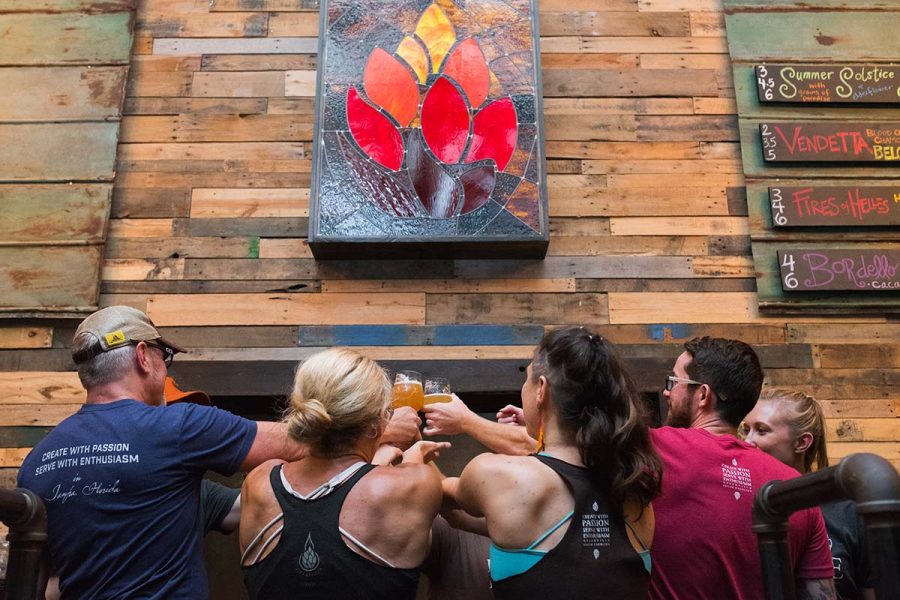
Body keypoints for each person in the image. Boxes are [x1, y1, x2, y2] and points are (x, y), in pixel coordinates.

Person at [445, 326, 662, 598]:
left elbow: (445, 499)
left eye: (527, 378)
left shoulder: (500, 476)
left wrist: (414, 452)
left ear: (541, 389)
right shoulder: (637, 497)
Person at [240, 347, 446, 600]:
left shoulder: (259, 481)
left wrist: (381, 454)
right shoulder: (413, 482)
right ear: (377, 423)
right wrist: (413, 451)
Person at [650, 337, 835, 600]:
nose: (667, 392)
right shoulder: (796, 490)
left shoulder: (655, 448)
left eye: (674, 382)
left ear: (703, 395)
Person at [742, 390, 874, 600]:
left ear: (802, 442)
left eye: (761, 430)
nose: (747, 441)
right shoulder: (742, 503)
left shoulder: (848, 511)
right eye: (745, 430)